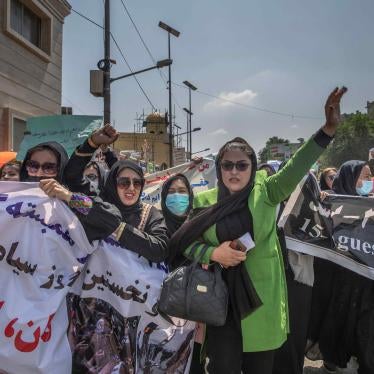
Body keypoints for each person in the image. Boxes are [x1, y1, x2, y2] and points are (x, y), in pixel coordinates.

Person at [169, 87, 347, 374]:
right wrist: (214, 252)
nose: (234, 171)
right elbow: (185, 244)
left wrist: (326, 130)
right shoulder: (204, 201)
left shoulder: (268, 191)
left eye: (242, 164)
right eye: (227, 165)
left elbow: (297, 165)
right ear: (219, 167)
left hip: (261, 307)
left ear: (252, 167)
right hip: (218, 305)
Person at [308, 160, 374, 374]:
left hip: (365, 290)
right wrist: (325, 204)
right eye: (363, 177)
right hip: (338, 289)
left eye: (370, 176)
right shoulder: (331, 207)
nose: (368, 181)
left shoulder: (370, 206)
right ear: (348, 178)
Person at [64, 124, 118, 196]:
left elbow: (118, 175)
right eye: (82, 179)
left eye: (92, 177)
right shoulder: (75, 200)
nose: (87, 183)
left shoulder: (108, 201)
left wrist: (106, 150)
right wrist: (91, 143)